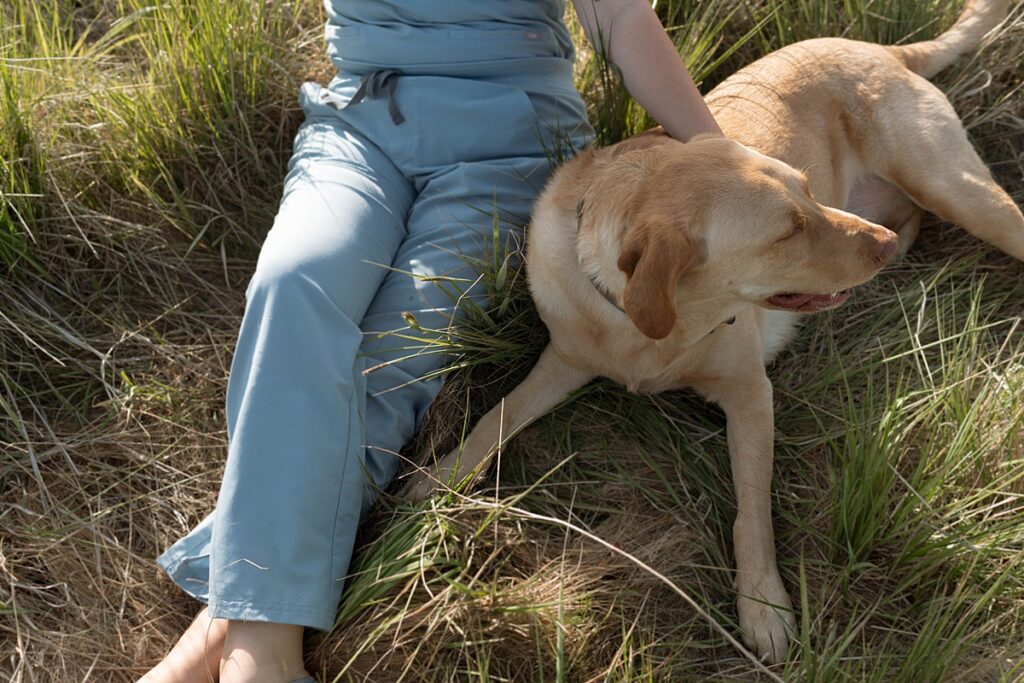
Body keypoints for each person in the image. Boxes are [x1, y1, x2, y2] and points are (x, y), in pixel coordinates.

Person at [140, 1, 723, 681]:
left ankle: (240, 648)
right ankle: (250, 645)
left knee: (392, 360)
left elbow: (620, 19)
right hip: (360, 120)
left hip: (507, 138)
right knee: (290, 284)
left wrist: (719, 157)